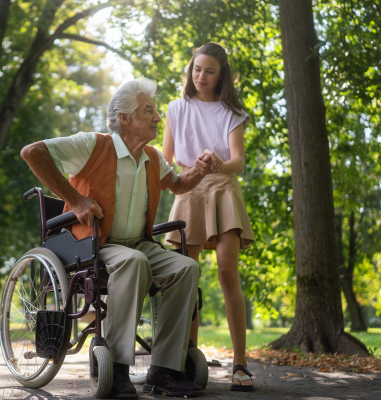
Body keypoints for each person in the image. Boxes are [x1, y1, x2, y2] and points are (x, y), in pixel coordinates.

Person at [21, 78, 214, 398]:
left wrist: (201, 169)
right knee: (134, 262)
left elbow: (179, 184)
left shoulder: (152, 156)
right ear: (124, 118)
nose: (157, 117)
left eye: (155, 110)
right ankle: (120, 368)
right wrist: (77, 199)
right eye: (148, 110)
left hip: (138, 243)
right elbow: (33, 152)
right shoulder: (91, 145)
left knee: (187, 268)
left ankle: (164, 370)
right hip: (91, 242)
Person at [162, 43, 256, 392]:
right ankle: (187, 358)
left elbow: (238, 161)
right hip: (188, 188)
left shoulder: (231, 111)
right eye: (197, 69)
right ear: (190, 70)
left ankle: (240, 364)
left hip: (222, 189)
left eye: (210, 71)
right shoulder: (175, 108)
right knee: (187, 278)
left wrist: (218, 162)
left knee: (227, 272)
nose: (201, 76)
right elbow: (166, 157)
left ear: (221, 76)